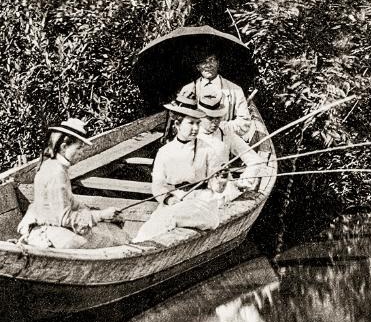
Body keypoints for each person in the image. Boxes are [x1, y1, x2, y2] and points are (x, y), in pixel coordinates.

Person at [17, 118, 126, 250]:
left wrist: (99, 213)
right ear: (64, 147)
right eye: (79, 148)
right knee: (118, 241)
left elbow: (69, 201)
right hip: (51, 235)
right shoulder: (56, 173)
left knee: (110, 230)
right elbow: (64, 218)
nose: (81, 152)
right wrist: (101, 215)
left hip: (48, 227)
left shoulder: (51, 165)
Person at [133, 93, 221, 243]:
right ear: (177, 124)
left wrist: (219, 181)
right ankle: (136, 247)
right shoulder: (165, 152)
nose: (195, 128)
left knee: (170, 217)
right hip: (177, 201)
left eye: (197, 123)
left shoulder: (207, 149)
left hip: (203, 204)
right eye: (190, 123)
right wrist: (168, 199)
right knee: (152, 224)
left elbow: (216, 183)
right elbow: (158, 186)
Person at [183, 52, 253, 141]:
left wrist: (217, 127)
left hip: (225, 143)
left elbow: (244, 123)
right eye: (203, 62)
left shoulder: (235, 90)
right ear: (198, 67)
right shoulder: (188, 90)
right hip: (195, 143)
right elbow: (182, 121)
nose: (208, 65)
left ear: (218, 63)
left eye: (212, 60)